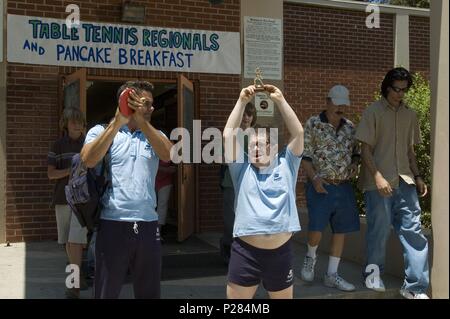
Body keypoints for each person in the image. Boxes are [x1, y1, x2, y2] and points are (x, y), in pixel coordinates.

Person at [80, 81, 173, 299]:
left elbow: (168, 154)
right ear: (128, 102)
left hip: (148, 224)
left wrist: (142, 122)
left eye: (152, 104)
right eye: (146, 103)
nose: (152, 108)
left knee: (149, 292)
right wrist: (117, 123)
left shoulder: (154, 133)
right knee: (106, 291)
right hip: (112, 222)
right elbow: (88, 160)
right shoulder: (101, 131)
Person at [223, 84, 304, 299]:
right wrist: (241, 101)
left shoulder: (287, 165)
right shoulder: (241, 168)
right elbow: (228, 136)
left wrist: (280, 100)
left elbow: (298, 133)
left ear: (275, 147)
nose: (255, 148)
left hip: (280, 253)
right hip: (245, 253)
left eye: (263, 144)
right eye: (252, 145)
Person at [356, 67, 430, 299]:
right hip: (378, 182)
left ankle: (414, 288)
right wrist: (377, 177)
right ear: (387, 87)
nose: (400, 94)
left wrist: (417, 176)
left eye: (404, 90)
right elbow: (365, 149)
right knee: (379, 230)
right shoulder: (373, 112)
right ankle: (373, 274)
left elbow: (409, 151)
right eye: (396, 89)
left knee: (414, 231)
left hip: (405, 181)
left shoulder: (410, 115)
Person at [300, 85, 360, 292]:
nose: (341, 108)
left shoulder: (350, 127)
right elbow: (305, 157)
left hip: (343, 186)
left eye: (344, 104)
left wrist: (354, 164)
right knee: (316, 228)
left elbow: (356, 153)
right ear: (327, 101)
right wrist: (315, 179)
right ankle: (310, 257)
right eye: (337, 103)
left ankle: (332, 275)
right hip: (320, 184)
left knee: (341, 230)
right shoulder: (313, 123)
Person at [47, 107, 88, 299]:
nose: (77, 124)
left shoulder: (88, 144)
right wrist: (69, 172)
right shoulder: (57, 145)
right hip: (62, 199)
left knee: (76, 240)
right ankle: (77, 274)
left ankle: (74, 285)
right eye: (73, 121)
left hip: (82, 200)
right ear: (66, 123)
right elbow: (50, 174)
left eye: (80, 121)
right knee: (67, 241)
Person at [219, 102, 257, 264]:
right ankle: (228, 250)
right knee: (231, 220)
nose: (246, 117)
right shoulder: (232, 135)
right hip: (231, 183)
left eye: (249, 114)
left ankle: (245, 255)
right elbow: (222, 159)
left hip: (251, 184)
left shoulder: (257, 135)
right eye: (244, 114)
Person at [155, 159, 176, 239]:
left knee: (162, 206)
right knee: (150, 205)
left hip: (166, 181)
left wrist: (160, 168)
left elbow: (175, 168)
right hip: (151, 180)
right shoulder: (151, 149)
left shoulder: (171, 150)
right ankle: (148, 230)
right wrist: (165, 169)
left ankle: (158, 233)